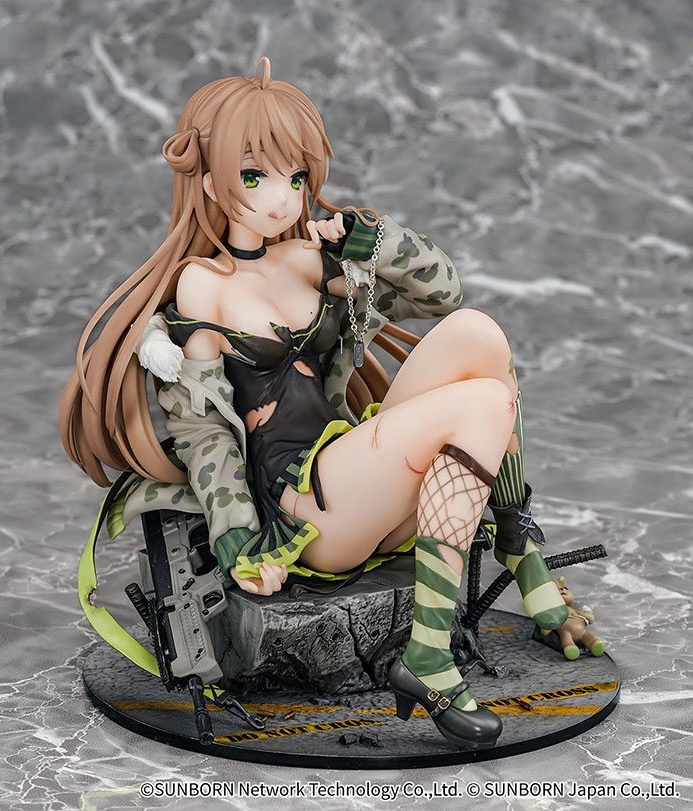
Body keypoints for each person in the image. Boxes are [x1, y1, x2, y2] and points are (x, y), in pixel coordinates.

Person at [60, 58, 567, 750]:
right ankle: (428, 659)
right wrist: (239, 543)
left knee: (480, 335)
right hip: (308, 512)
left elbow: (442, 293)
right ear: (207, 178)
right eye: (254, 176)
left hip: (357, 477)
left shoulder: (308, 258)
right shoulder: (201, 287)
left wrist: (370, 240)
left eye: (295, 177)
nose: (280, 198)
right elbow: (205, 434)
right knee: (482, 403)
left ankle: (518, 546)